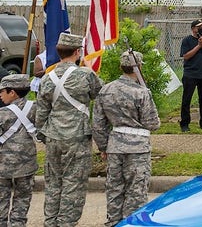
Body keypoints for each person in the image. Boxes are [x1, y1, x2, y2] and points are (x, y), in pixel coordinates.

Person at [36, 32, 102, 227]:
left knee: (53, 183)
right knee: (74, 183)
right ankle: (66, 223)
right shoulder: (86, 75)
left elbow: (41, 113)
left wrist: (44, 135)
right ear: (77, 52)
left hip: (53, 136)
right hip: (77, 137)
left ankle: (50, 222)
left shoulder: (47, 78)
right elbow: (101, 95)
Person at [92, 50, 161, 227]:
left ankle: (114, 222)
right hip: (138, 148)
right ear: (137, 68)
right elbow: (152, 123)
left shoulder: (106, 90)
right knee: (136, 191)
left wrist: (103, 146)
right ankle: (132, 223)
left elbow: (98, 124)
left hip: (114, 146)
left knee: (114, 189)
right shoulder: (142, 92)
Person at [0, 74, 38, 227]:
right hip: (27, 164)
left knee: (1, 199)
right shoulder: (35, 108)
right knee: (22, 199)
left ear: (12, 92)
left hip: (3, 165)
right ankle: (18, 224)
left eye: (2, 91)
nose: (0, 95)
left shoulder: (2, 113)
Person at [179, 19, 202, 132]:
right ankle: (185, 123)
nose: (201, 28)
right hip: (190, 74)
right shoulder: (187, 40)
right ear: (193, 28)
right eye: (199, 26)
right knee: (187, 99)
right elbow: (186, 56)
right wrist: (198, 46)